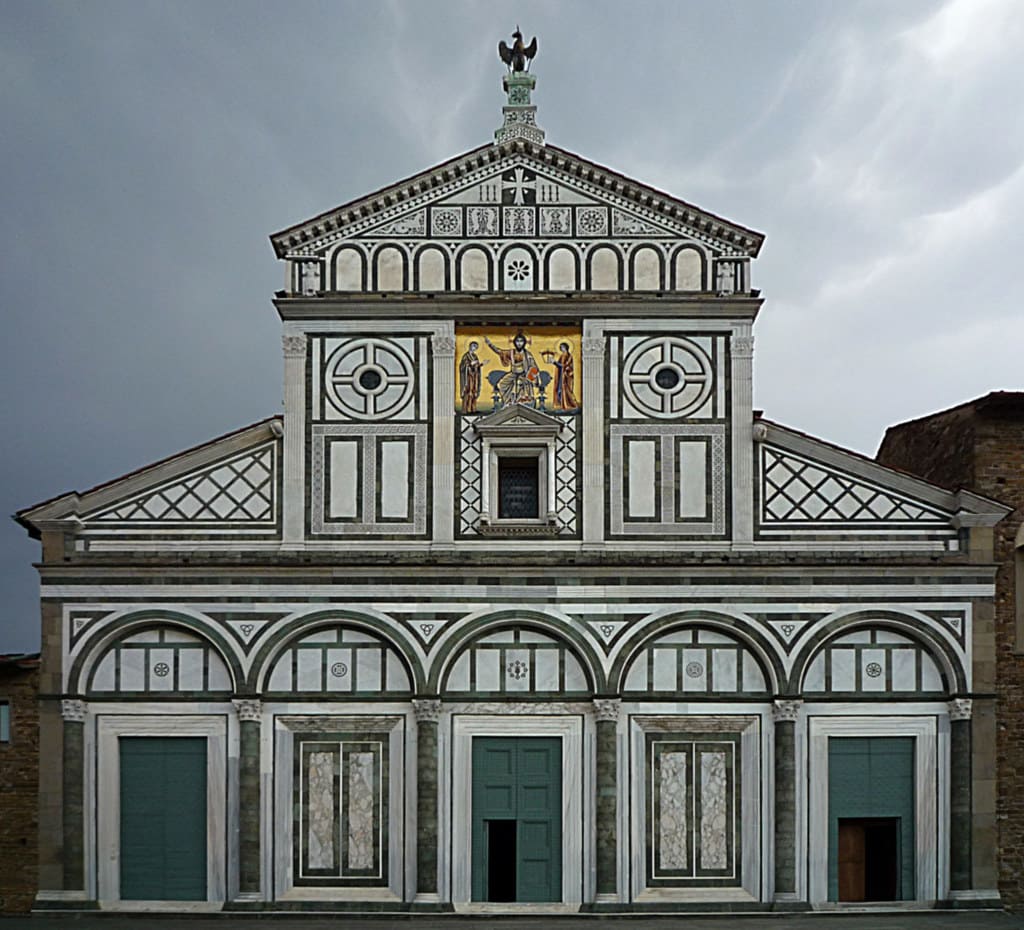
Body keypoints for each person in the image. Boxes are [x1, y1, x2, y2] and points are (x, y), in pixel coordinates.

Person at [484, 330, 539, 407]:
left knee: (520, 384)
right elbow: (499, 352)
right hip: (513, 373)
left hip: (524, 375)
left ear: (524, 343)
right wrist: (490, 344)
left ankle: (521, 402)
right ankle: (508, 401)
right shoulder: (511, 353)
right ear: (514, 343)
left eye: (521, 341)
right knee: (501, 384)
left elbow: (534, 367)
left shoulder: (527, 355)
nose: (519, 343)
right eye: (517, 341)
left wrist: (529, 378)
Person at [458, 341, 486, 412]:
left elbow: (477, 366)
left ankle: (473, 409)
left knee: (474, 392)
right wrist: (470, 363)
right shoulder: (466, 356)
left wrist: (481, 364)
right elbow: (462, 366)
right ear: (470, 346)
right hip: (468, 377)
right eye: (473, 346)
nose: (474, 348)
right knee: (468, 392)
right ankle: (466, 409)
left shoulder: (475, 356)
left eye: (476, 347)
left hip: (474, 376)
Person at [552, 341, 579, 410]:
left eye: (563, 347)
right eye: (561, 348)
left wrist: (556, 363)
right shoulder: (561, 356)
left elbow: (566, 365)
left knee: (566, 390)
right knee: (559, 389)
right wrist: (554, 363)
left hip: (566, 376)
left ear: (566, 347)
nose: (562, 349)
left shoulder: (569, 356)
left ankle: (568, 404)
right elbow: (559, 365)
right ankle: (561, 403)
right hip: (560, 375)